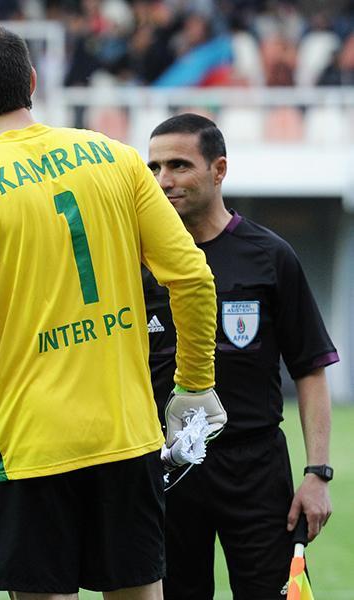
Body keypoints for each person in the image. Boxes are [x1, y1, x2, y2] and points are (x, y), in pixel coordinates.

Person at [0, 25, 226, 600]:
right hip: (127, 436)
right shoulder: (117, 157)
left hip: (27, 448)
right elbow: (193, 278)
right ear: (32, 81)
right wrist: (195, 384)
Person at [144, 113, 336, 600]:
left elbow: (310, 369)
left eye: (179, 165)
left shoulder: (270, 255)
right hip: (167, 467)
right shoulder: (138, 262)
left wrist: (317, 474)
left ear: (219, 170)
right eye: (154, 168)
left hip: (255, 467)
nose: (163, 180)